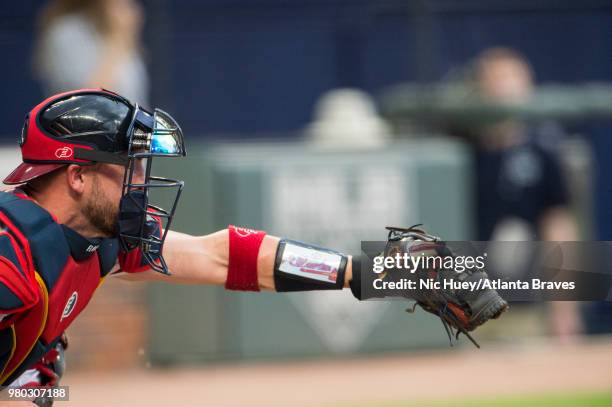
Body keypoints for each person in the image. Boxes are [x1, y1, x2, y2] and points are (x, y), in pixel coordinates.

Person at [0, 89, 506, 405]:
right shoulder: (12, 257)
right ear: (77, 177)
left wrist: (361, 271)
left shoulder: (99, 237)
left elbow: (224, 256)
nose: (141, 180)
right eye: (127, 166)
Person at [469, 47, 582, 341]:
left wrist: (565, 308)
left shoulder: (543, 151)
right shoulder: (460, 151)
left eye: (514, 81)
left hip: (519, 307)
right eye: (497, 81)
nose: (505, 90)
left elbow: (559, 227)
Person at [34, 0, 148, 104]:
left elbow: (137, 101)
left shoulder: (116, 32)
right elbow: (89, 101)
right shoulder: (65, 32)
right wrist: (118, 38)